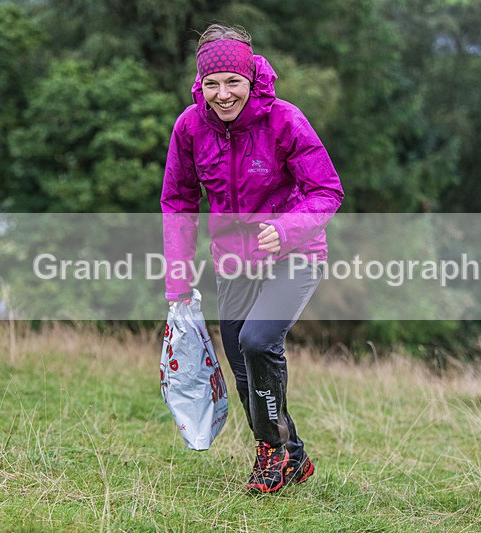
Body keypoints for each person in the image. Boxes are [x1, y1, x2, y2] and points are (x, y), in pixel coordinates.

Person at [160, 23, 344, 493]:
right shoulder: (189, 127)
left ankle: (271, 455)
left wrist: (284, 230)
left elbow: (327, 190)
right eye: (212, 84)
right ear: (201, 84)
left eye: (233, 82)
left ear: (252, 79)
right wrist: (178, 284)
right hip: (232, 261)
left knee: (259, 342)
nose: (223, 95)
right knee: (244, 368)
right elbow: (179, 204)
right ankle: (291, 454)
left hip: (295, 252)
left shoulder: (285, 120)